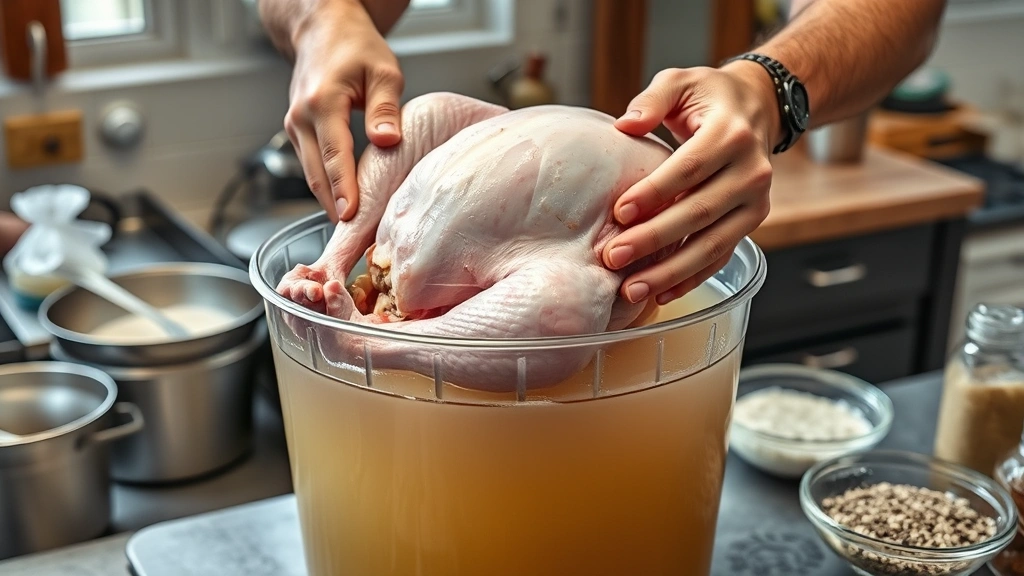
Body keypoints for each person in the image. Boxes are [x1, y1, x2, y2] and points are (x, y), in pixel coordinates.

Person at [258, 0, 946, 305]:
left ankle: (371, 335)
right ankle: (337, 270)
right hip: (484, 162)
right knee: (424, 118)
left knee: (570, 302)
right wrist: (325, 16)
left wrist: (768, 88)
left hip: (618, 220)